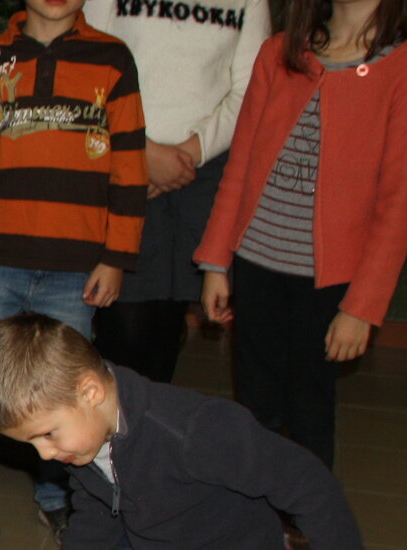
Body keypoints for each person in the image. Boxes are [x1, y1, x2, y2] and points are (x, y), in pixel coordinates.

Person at [196, 0, 407, 468]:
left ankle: (307, 523)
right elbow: (240, 163)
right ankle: (256, 519)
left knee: (308, 407)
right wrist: (216, 261)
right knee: (257, 404)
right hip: (257, 262)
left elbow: (401, 204)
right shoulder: (279, 53)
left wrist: (361, 308)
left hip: (329, 281)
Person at [0, 0, 147, 537]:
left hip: (74, 267)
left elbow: (130, 164)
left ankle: (62, 494)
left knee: (62, 391)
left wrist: (116, 255)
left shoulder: (113, 59)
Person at [0, 313, 363, 549]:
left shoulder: (194, 431)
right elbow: (97, 511)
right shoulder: (82, 440)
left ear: (90, 391)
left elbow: (309, 485)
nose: (44, 455)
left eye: (47, 434)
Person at [82, 0, 271, 384]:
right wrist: (140, 152)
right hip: (119, 160)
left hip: (200, 173)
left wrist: (192, 152)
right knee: (125, 330)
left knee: (165, 330)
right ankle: (109, 435)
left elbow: (251, 87)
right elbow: (87, 59)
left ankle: (146, 435)